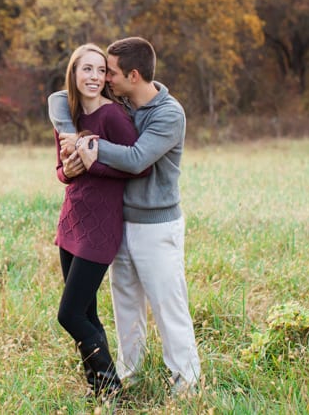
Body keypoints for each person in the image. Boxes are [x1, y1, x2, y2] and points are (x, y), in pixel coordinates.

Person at [48, 36, 202, 397]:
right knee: (126, 306)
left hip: (156, 224)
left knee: (169, 305)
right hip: (122, 221)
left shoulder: (168, 114)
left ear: (133, 75)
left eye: (110, 72)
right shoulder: (126, 102)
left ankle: (187, 386)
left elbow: (135, 160)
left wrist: (89, 146)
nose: (105, 79)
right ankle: (129, 376)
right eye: (98, 70)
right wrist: (70, 139)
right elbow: (60, 98)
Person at [53, 43, 150, 400]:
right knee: (87, 313)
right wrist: (70, 168)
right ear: (74, 75)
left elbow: (140, 166)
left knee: (70, 314)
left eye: (99, 70)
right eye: (86, 70)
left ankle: (114, 391)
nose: (94, 77)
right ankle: (102, 393)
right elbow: (61, 172)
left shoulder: (112, 117)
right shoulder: (69, 117)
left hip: (101, 228)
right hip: (71, 223)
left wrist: (95, 164)